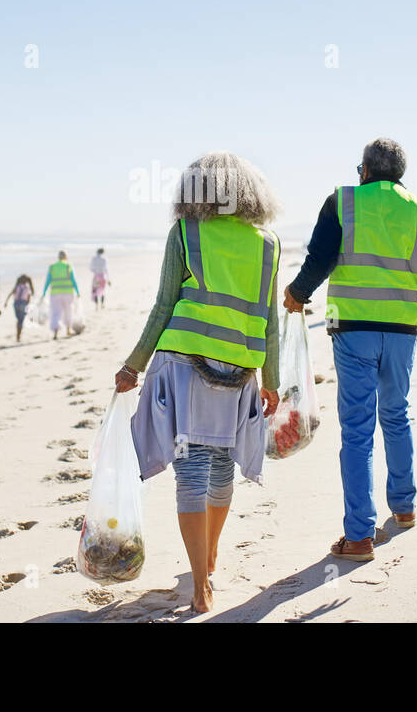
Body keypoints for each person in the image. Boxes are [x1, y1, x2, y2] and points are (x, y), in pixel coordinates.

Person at [284, 138, 417, 563]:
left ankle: (359, 537)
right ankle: (404, 507)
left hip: (352, 328)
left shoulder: (343, 201)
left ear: (366, 170)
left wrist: (297, 294)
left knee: (357, 428)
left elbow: (319, 259)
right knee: (396, 414)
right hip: (401, 330)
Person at [115, 151, 281, 613]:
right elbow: (270, 319)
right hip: (240, 367)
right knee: (222, 468)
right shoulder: (267, 242)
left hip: (186, 362)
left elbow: (165, 302)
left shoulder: (185, 232)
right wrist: (272, 379)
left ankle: (202, 588)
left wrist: (133, 365)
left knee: (191, 471)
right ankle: (206, 564)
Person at [41, 250, 80, 339]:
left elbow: (47, 281)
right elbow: (74, 280)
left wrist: (44, 293)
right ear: (66, 257)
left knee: (55, 312)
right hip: (67, 292)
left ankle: (55, 333)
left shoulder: (52, 267)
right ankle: (68, 330)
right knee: (68, 311)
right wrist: (77, 292)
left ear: (58, 257)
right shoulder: (68, 266)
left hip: (55, 293)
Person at [4, 274, 36, 343]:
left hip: (16, 304)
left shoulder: (17, 286)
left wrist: (6, 302)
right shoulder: (27, 287)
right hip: (23, 304)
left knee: (19, 319)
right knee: (21, 320)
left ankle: (18, 335)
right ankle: (18, 336)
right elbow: (29, 298)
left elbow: (10, 294)